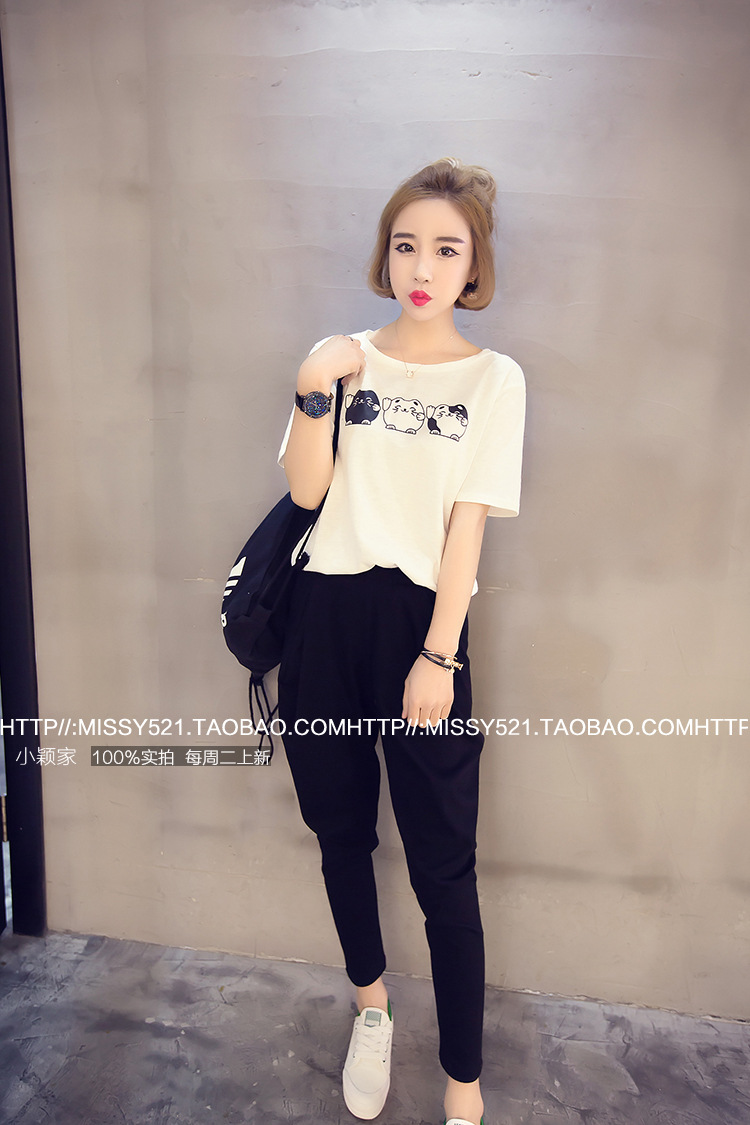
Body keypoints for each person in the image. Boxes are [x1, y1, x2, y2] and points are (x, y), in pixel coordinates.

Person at [276, 157, 526, 1125]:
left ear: (474, 266)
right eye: (406, 245)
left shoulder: (494, 380)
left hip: (422, 628)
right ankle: (371, 1007)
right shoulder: (341, 359)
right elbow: (308, 493)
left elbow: (467, 527)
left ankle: (464, 1085)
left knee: (444, 869)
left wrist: (439, 655)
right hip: (323, 621)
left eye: (447, 249)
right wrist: (312, 386)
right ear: (385, 254)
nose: (423, 267)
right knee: (340, 832)